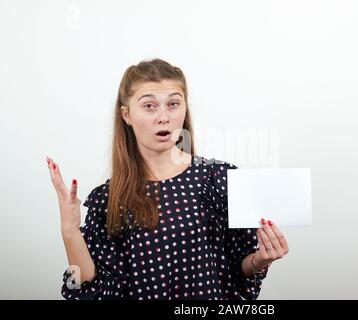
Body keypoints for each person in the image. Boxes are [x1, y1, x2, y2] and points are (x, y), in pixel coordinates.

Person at [46, 58, 289, 300]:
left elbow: (239, 268)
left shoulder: (220, 179)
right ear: (126, 114)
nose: (164, 116)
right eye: (149, 106)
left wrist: (260, 260)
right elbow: (89, 288)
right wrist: (70, 231)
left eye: (173, 103)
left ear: (184, 109)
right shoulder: (108, 199)